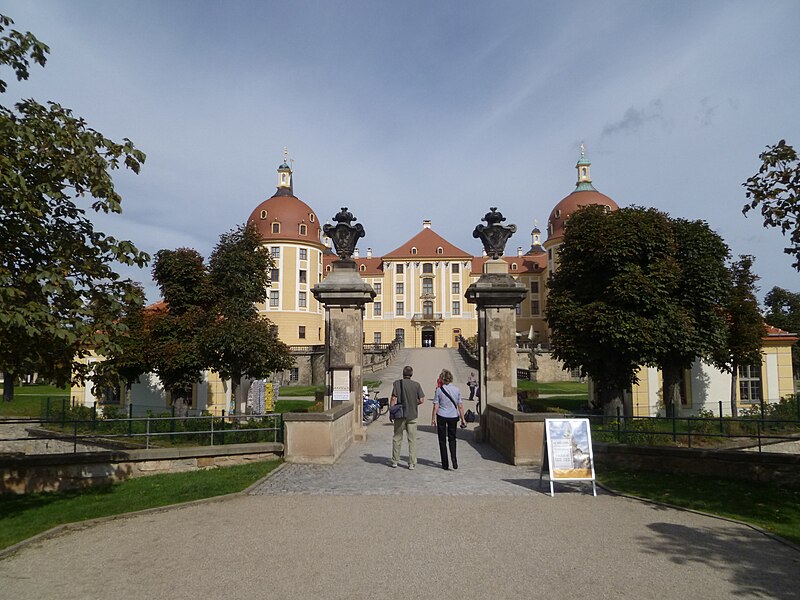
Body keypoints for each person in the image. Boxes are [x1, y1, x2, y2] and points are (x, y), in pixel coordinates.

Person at [390, 365, 426, 469]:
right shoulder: (416, 385)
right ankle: (411, 463)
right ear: (411, 374)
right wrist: (414, 403)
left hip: (400, 415)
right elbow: (422, 400)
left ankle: (395, 461)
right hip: (412, 415)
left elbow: (393, 399)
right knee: (412, 440)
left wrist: (392, 411)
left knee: (397, 438)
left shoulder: (397, 384)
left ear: (403, 373)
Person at [431, 369, 466, 470]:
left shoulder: (439, 390)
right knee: (452, 438)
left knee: (442, 440)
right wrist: (463, 419)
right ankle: (454, 459)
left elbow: (435, 406)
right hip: (453, 416)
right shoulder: (456, 389)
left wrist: (433, 419)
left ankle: (445, 464)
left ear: (442, 379)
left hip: (441, 415)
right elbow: (460, 406)